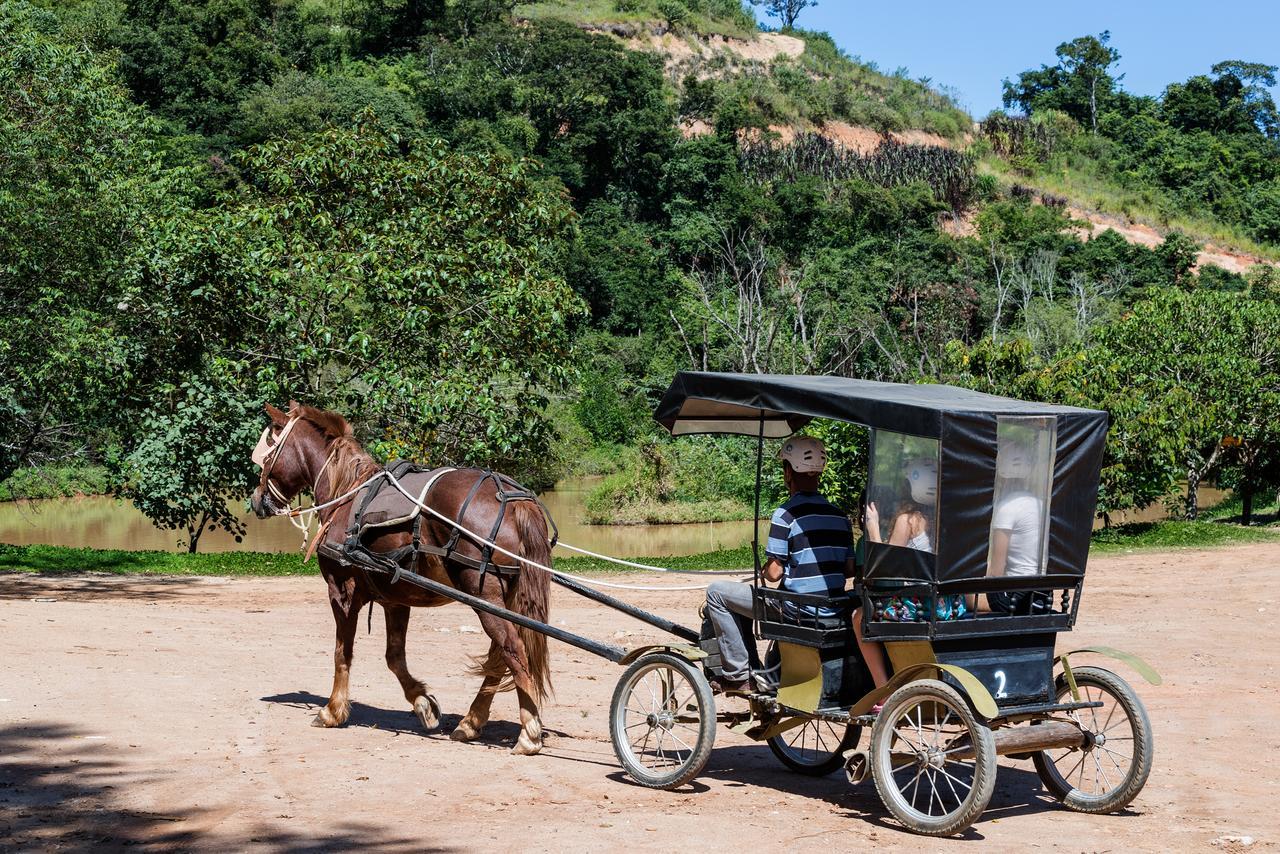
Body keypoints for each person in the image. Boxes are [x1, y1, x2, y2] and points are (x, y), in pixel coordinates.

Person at [703, 436, 854, 694]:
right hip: (830, 609)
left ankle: (738, 673)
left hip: (797, 610)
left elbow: (774, 574)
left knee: (716, 592)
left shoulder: (785, 515)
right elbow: (849, 569)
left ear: (788, 471)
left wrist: (764, 568)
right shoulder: (840, 517)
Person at [984, 443, 1048, 613]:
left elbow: (997, 569)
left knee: (965, 590)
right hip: (1043, 593)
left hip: (1013, 596)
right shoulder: (1041, 505)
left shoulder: (1007, 507)